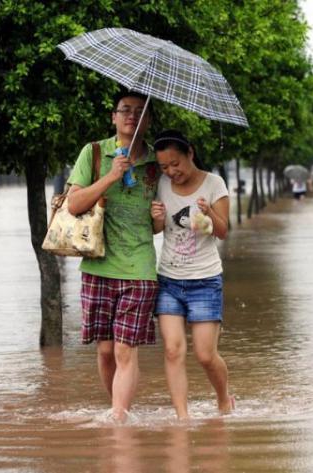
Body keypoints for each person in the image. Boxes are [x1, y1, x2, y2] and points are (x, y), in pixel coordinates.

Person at [66, 91, 161, 422]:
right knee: (105, 351)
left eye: (140, 112)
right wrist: (110, 176)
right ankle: (122, 409)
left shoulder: (156, 163)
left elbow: (157, 225)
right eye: (125, 110)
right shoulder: (93, 153)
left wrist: (160, 218)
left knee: (124, 349)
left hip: (140, 267)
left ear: (148, 120)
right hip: (98, 264)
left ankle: (119, 421)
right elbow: (74, 205)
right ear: (113, 117)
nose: (132, 116)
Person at [150, 129, 233, 420]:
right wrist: (157, 221)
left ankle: (224, 398)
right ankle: (182, 417)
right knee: (173, 350)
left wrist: (209, 212)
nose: (171, 171)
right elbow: (157, 230)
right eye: (164, 166)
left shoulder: (214, 183)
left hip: (205, 281)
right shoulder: (160, 184)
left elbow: (223, 232)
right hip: (169, 280)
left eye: (176, 163)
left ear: (190, 153)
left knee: (205, 355)